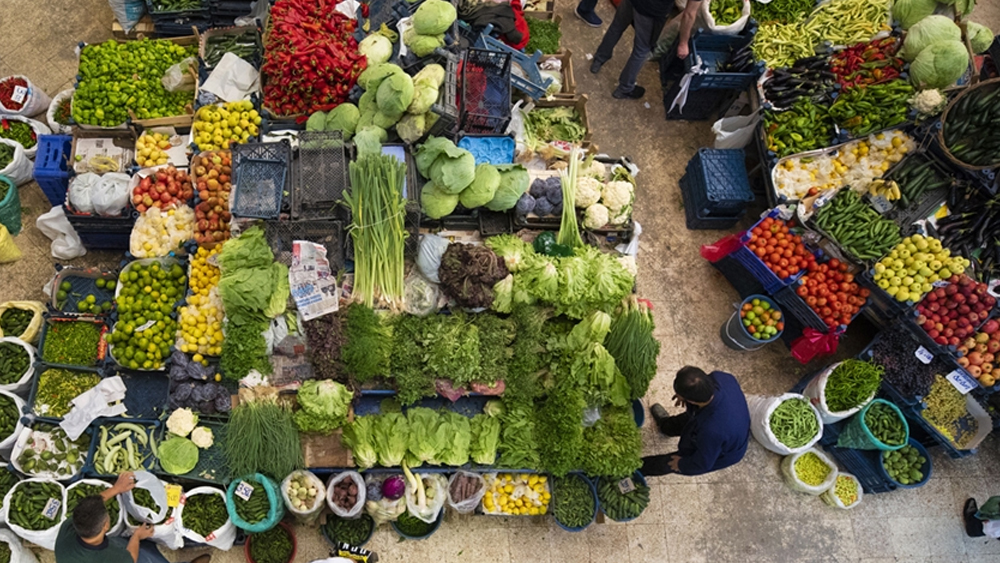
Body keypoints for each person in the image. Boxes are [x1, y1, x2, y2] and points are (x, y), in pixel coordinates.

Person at [54, 471, 210, 563]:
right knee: (145, 557)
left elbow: (90, 505)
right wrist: (137, 536)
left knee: (125, 542)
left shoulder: (69, 527)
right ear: (106, 526)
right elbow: (130, 558)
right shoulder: (108, 556)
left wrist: (116, 489)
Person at [641, 366, 750, 476]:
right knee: (685, 420)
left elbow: (702, 463)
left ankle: (637, 470)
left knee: (670, 462)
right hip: (717, 419)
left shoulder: (711, 431)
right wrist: (683, 395)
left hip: (724, 450)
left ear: (692, 401)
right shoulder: (721, 377)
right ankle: (665, 426)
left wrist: (681, 465)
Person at [589, 0, 701, 99]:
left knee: (617, 27)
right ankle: (625, 88)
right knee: (642, 49)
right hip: (651, 11)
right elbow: (689, 14)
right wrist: (683, 43)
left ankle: (598, 60)